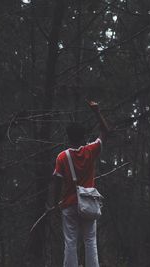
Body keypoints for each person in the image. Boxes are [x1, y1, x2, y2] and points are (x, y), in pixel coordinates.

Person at [48, 100, 109, 267]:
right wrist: (97, 112)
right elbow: (105, 131)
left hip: (69, 205)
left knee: (70, 242)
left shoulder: (62, 157)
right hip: (88, 202)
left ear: (68, 137)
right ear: (83, 137)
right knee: (90, 241)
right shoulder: (91, 150)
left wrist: (55, 205)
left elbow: (58, 183)